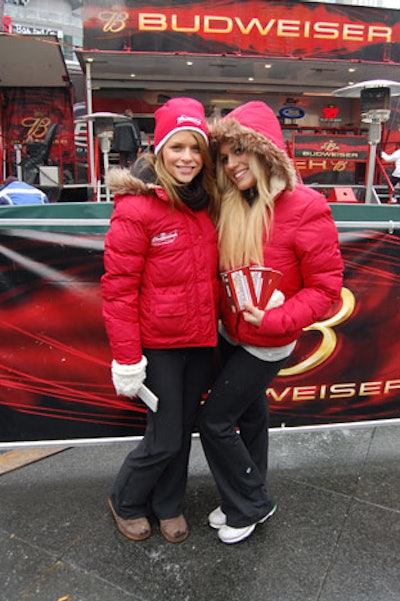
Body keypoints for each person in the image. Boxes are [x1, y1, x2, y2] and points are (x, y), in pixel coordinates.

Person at [199, 101, 344, 544]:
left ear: (265, 151)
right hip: (230, 333)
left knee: (214, 421)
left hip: (269, 341)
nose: (231, 164)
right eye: (224, 156)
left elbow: (327, 291)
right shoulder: (230, 202)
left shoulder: (307, 206)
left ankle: (251, 504)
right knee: (250, 416)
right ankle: (246, 495)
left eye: (240, 151)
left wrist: (278, 316)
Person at [101, 97, 219, 543]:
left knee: (182, 432)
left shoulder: (207, 203)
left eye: (195, 149)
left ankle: (168, 503)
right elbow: (118, 291)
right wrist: (128, 359)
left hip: (200, 341)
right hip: (160, 346)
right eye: (177, 147)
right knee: (166, 437)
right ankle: (126, 499)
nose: (187, 158)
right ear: (159, 150)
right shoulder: (136, 207)